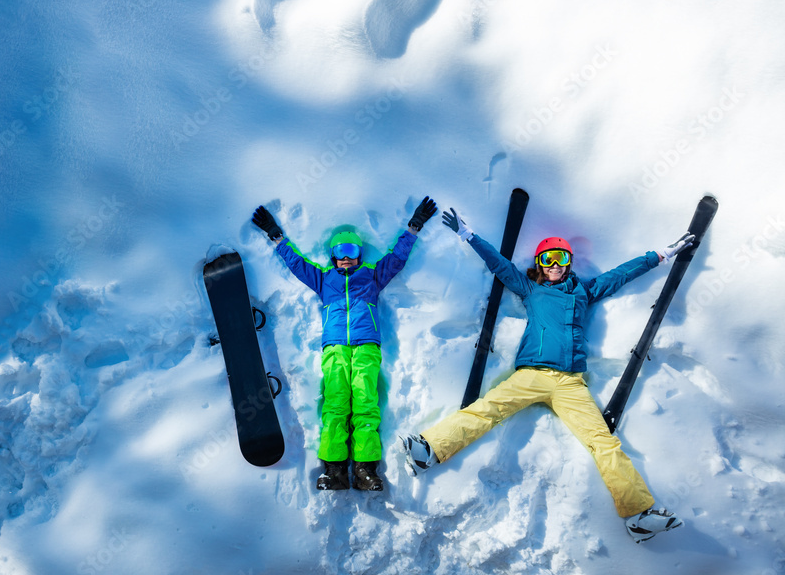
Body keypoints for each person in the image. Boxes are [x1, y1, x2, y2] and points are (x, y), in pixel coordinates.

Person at [400, 204, 694, 542]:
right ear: (540, 263)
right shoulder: (531, 289)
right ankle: (428, 451)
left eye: (562, 259)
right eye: (549, 259)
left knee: (603, 442)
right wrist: (468, 235)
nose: (555, 266)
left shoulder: (585, 291)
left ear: (569, 264)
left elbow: (621, 274)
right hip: (531, 375)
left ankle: (638, 516)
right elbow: (500, 265)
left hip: (570, 383)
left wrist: (660, 255)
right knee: (486, 410)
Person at [252, 198, 437, 491]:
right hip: (335, 348)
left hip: (366, 347)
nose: (346, 257)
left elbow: (396, 259)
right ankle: (334, 469)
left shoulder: (372, 276)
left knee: (365, 403)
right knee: (335, 404)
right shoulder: (325, 280)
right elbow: (298, 265)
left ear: (359, 254)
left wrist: (413, 228)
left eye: (351, 251)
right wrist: (276, 236)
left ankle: (365, 469)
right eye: (340, 252)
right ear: (333, 256)